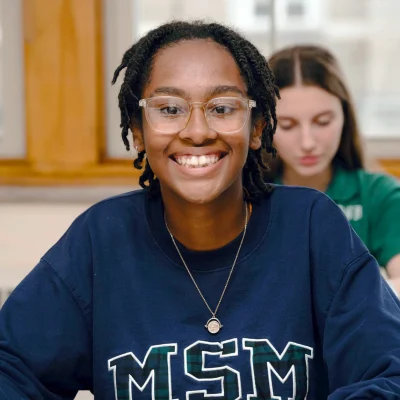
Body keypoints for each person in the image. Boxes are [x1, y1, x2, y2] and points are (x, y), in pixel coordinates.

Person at [1, 21, 400, 399]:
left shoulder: (314, 226)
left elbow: (389, 372)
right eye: (169, 109)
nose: (196, 131)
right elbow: (12, 368)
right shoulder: (101, 237)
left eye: (223, 108)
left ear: (257, 127)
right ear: (138, 132)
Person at [268, 44, 400, 294]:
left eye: (322, 122)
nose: (307, 142)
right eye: (287, 125)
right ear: (263, 127)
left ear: (345, 117)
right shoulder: (245, 197)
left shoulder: (380, 196)